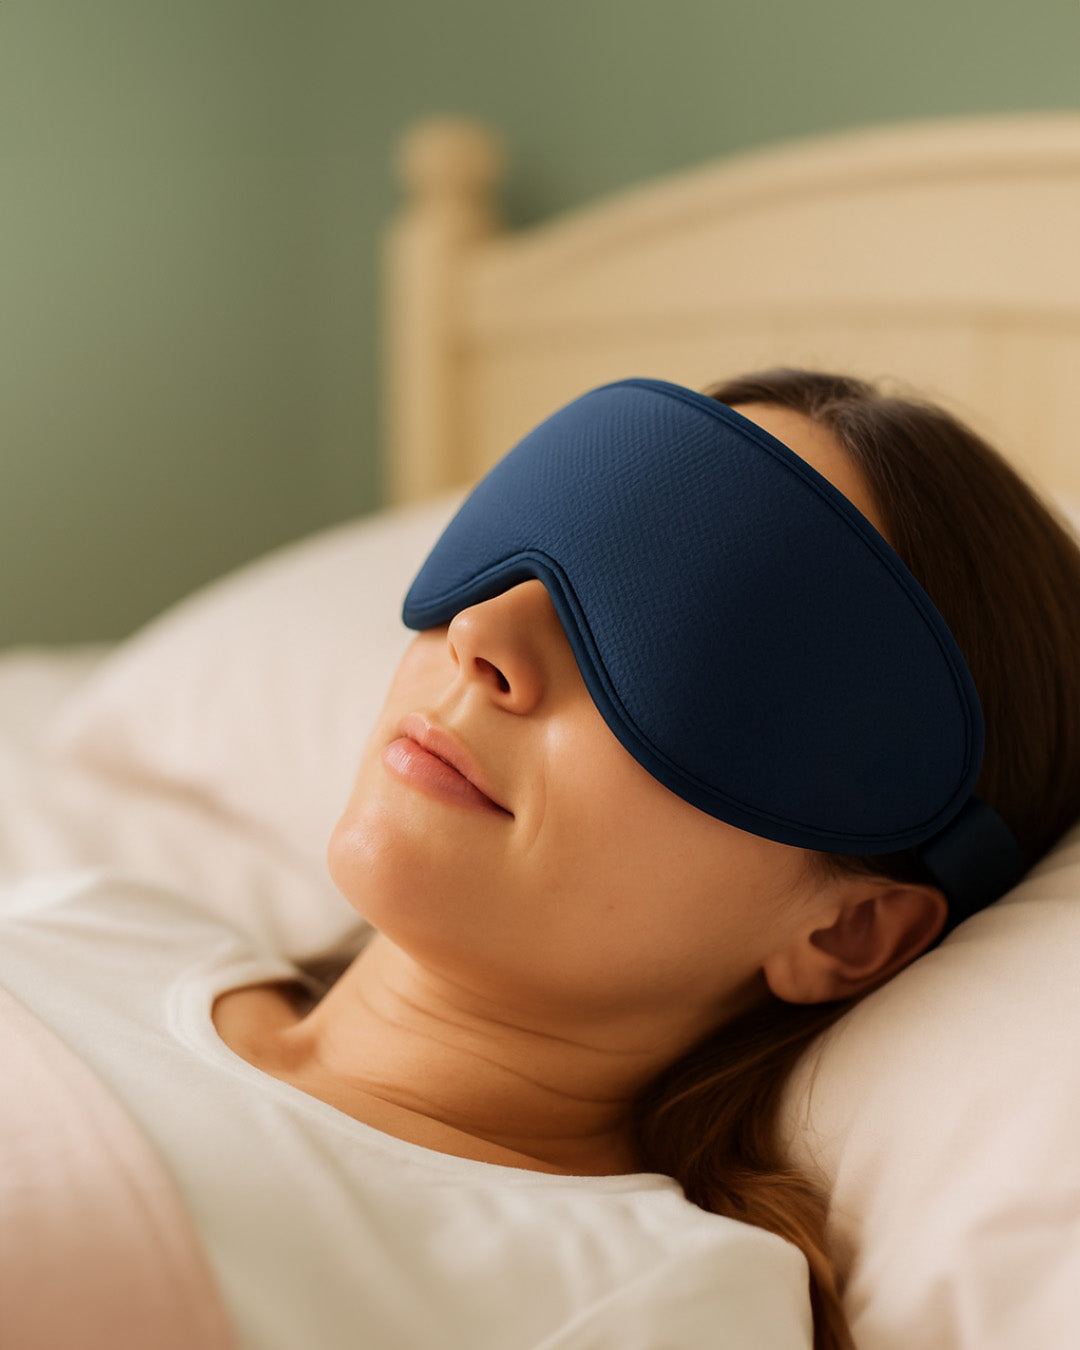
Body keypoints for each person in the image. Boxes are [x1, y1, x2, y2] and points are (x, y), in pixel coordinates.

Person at [4, 369, 1080, 1350]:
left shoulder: (654, 1303)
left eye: (684, 644)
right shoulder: (102, 921)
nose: (484, 633)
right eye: (537, 538)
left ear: (848, 930)